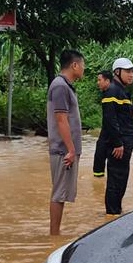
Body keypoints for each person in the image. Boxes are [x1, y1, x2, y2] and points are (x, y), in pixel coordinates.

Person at [47, 49, 85, 235]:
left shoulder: (64, 85)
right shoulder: (60, 86)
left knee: (61, 193)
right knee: (59, 193)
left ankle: (55, 233)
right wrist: (70, 150)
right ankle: (53, 235)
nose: (84, 69)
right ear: (74, 65)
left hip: (66, 149)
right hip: (63, 150)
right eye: (83, 65)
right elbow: (61, 119)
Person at [100, 58, 133, 215]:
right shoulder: (112, 91)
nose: (132, 75)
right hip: (119, 144)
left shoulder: (121, 91)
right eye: (128, 71)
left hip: (125, 142)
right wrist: (117, 143)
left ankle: (115, 212)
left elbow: (123, 117)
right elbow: (110, 119)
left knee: (121, 179)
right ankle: (112, 214)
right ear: (117, 72)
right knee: (116, 181)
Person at [91, 70, 113, 178]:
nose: (98, 82)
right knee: (99, 158)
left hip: (111, 135)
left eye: (99, 80)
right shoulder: (106, 94)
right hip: (106, 133)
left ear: (107, 81)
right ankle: (98, 184)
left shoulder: (111, 94)